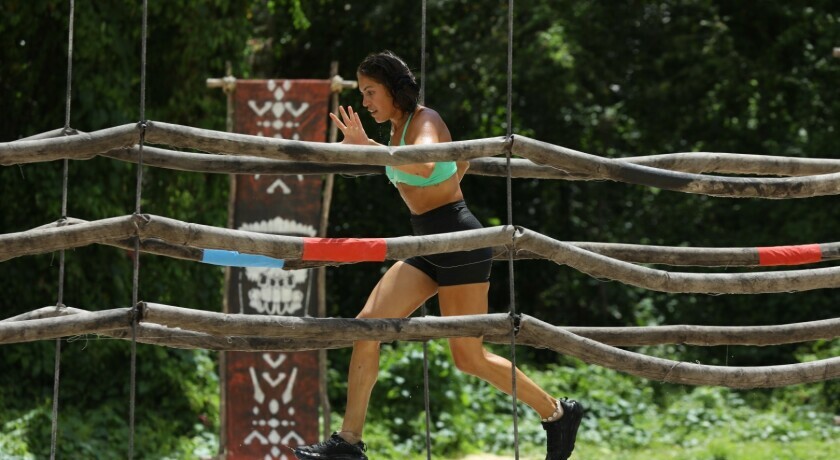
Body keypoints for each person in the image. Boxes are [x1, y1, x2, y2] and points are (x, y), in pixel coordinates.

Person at [294, 50, 583, 460]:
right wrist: (370, 147)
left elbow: (428, 165)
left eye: (371, 91)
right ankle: (349, 442)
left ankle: (557, 412)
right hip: (426, 244)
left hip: (459, 242)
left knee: (469, 358)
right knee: (366, 328)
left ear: (394, 90)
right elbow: (456, 162)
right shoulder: (396, 131)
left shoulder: (424, 120)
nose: (365, 101)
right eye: (363, 93)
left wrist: (372, 151)